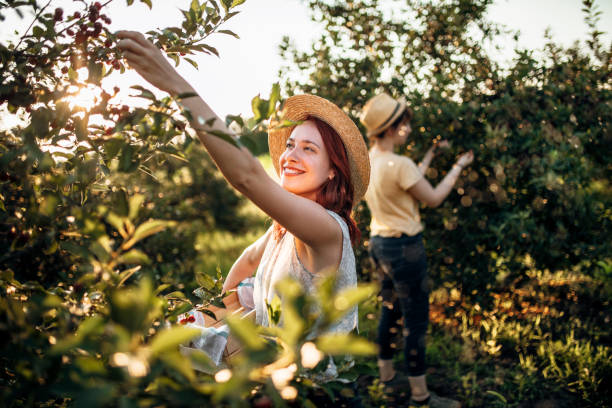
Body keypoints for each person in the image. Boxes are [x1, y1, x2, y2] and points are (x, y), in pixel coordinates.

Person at [116, 31, 370, 355]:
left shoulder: (325, 227)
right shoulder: (284, 228)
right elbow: (250, 258)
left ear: (333, 169)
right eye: (290, 145)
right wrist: (222, 312)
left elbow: (248, 177)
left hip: (315, 392)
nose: (291, 156)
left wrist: (176, 86)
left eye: (309, 149)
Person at [360, 93, 473, 408]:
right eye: (404, 123)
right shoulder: (401, 164)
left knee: (389, 309)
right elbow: (433, 197)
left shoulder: (371, 161)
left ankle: (385, 379)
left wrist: (430, 156)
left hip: (380, 244)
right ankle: (421, 397)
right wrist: (458, 166)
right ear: (392, 127)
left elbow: (408, 179)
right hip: (406, 248)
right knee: (415, 321)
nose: (408, 129)